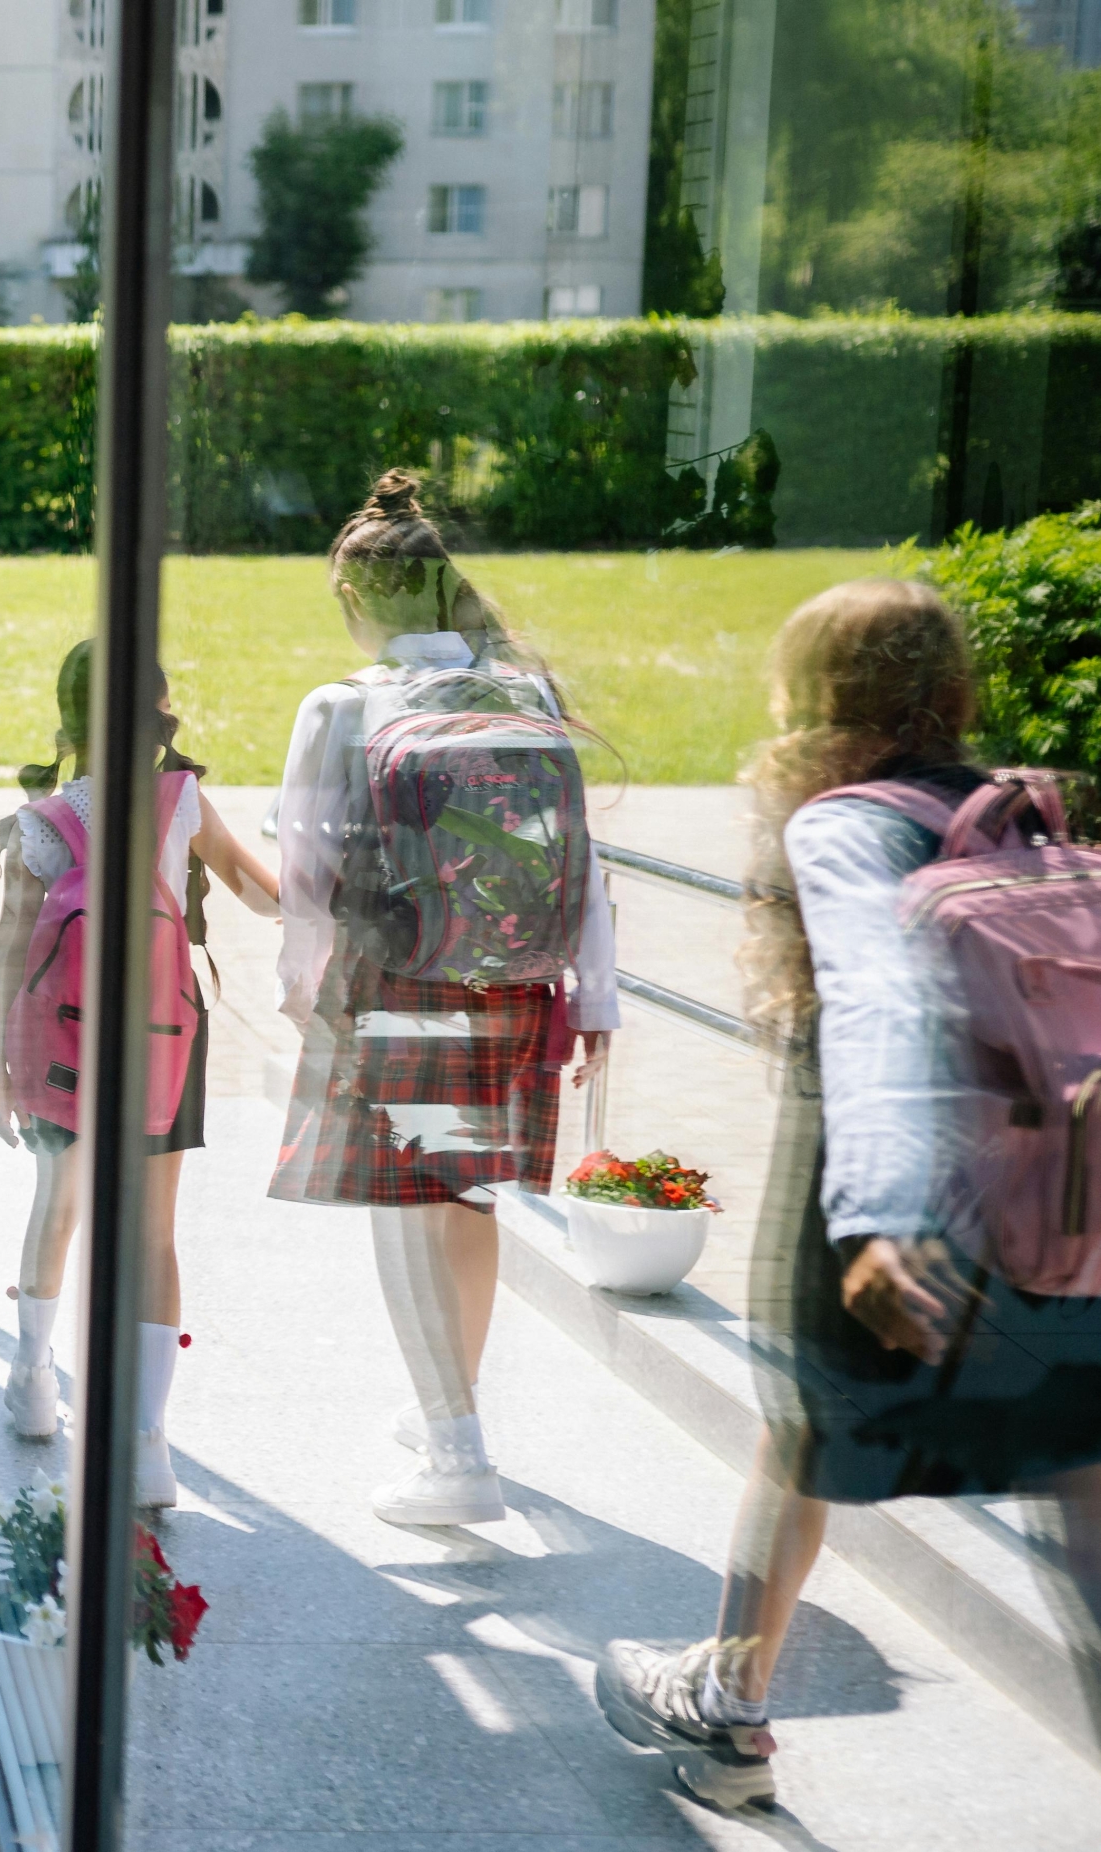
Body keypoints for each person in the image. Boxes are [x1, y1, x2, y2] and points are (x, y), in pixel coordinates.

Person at [596, 579, 1101, 1809]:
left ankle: (726, 1712)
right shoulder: (1034, 820)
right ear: (956, 688)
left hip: (897, 1201)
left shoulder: (842, 823)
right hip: (1066, 1211)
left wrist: (886, 1220)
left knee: (804, 1428)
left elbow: (883, 1004)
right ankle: (727, 1698)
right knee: (1082, 1487)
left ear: (816, 699)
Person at [270, 469, 617, 1528]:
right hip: (520, 983)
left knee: (405, 1206)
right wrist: (596, 997)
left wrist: (304, 995)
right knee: (466, 1198)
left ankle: (458, 1454)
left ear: (360, 600)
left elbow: (304, 873)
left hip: (401, 981)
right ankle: (444, 1412)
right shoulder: (530, 694)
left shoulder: (345, 705)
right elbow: (584, 856)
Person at [0, 640, 278, 1504]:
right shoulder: (180, 800)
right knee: (153, 1234)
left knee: (56, 1204)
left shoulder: (47, 818)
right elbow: (261, 893)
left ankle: (31, 1377)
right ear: (155, 712)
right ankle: (146, 1443)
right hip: (163, 1031)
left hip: (62, 1039)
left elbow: (9, 954)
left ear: (71, 721)